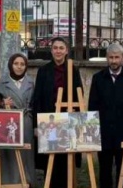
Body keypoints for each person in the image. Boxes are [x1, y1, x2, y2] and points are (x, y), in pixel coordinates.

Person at [31, 37, 84, 188]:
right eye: (55, 48)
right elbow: (37, 99)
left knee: (67, 161)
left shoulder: (73, 69)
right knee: (51, 162)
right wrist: (36, 125)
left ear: (67, 50)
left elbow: (79, 95)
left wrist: (79, 122)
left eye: (61, 48)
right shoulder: (44, 71)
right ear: (51, 50)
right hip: (49, 121)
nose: (58, 51)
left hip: (68, 121)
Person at [88, 43, 123, 188]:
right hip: (103, 133)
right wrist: (93, 131)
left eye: (117, 57)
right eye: (111, 57)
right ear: (107, 58)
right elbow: (93, 105)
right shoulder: (98, 78)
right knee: (104, 170)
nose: (114, 61)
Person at [0, 53, 37, 187]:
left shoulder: (31, 82)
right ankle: (9, 182)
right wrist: (2, 103)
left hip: (26, 121)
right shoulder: (1, 82)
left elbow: (35, 102)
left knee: (26, 153)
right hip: (9, 122)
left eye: (22, 64)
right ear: (10, 64)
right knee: (10, 154)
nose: (19, 67)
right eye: (16, 64)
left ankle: (27, 182)